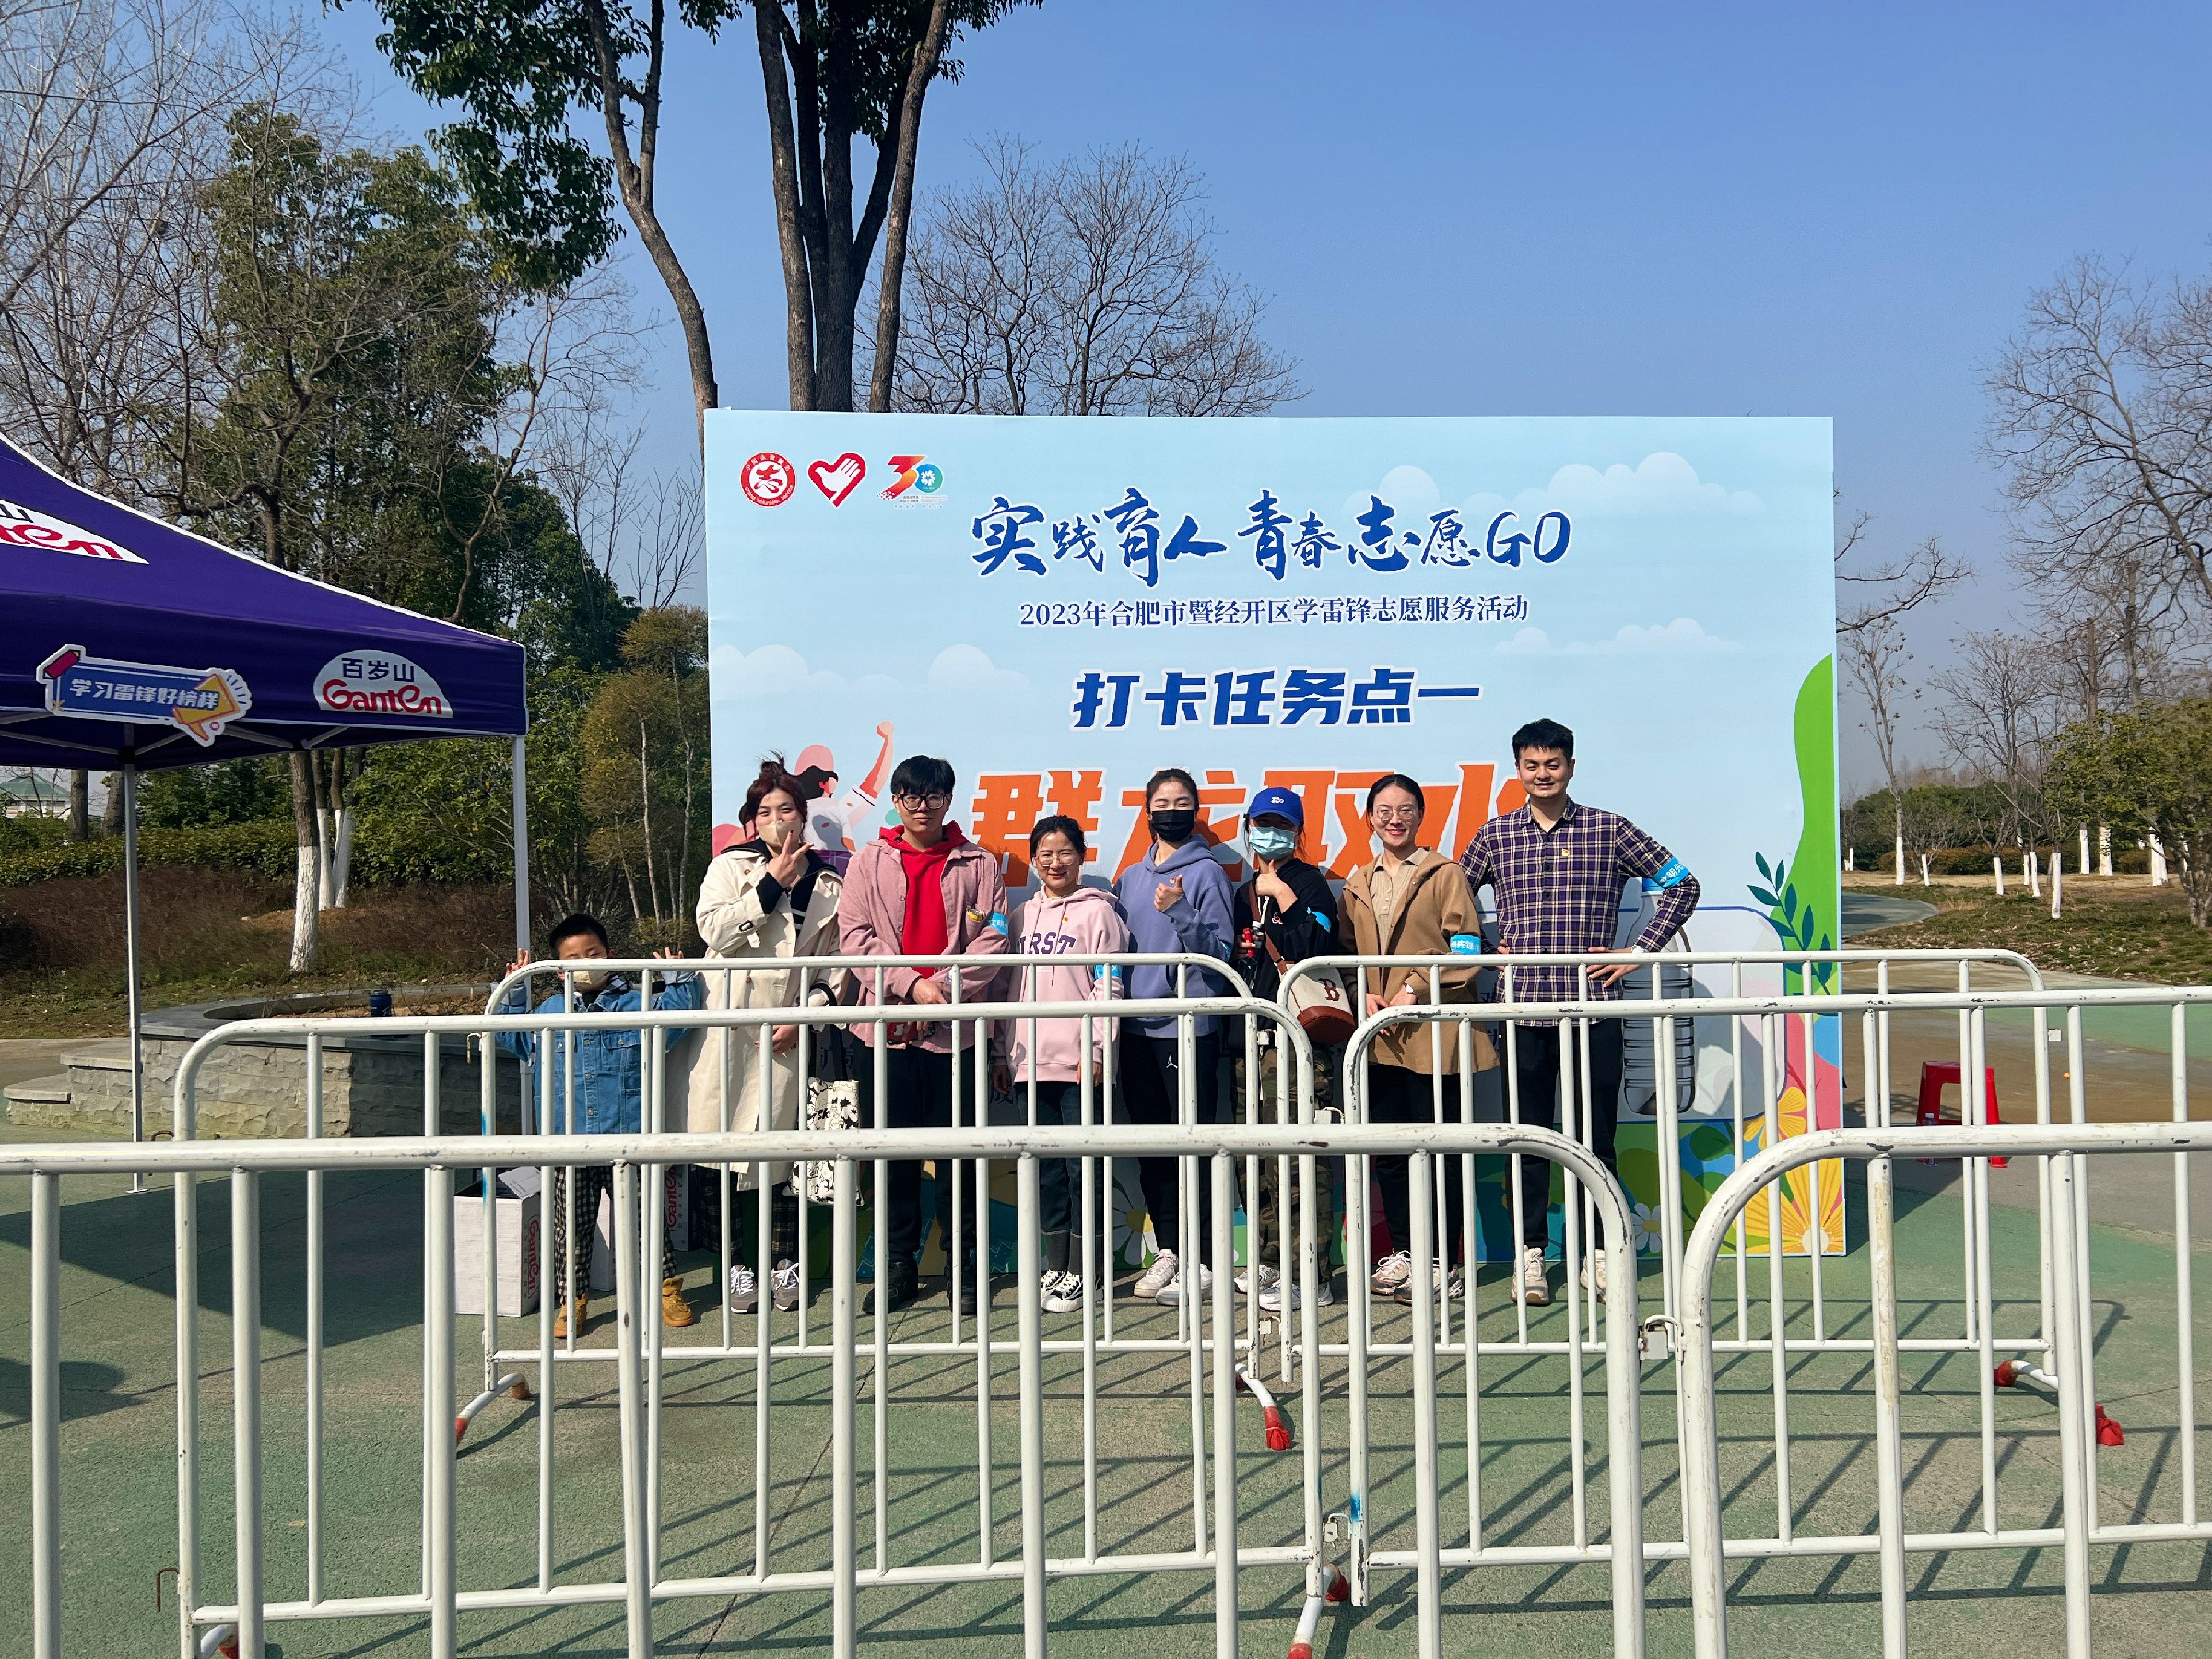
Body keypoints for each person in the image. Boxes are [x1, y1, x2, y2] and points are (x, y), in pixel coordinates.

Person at [1458, 718, 1700, 1307]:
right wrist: (1482, 951)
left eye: (1553, 764)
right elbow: (1452, 906)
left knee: (1596, 1137)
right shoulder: (1494, 835)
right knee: (1527, 1139)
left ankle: (1597, 1250)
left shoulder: (1608, 829)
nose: (1542, 774)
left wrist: (1636, 953)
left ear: (1570, 766)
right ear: (1518, 769)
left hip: (1595, 1009)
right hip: (1520, 1012)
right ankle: (1531, 1254)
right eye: (1531, 765)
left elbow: (1683, 886)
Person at [836, 755, 1010, 1315]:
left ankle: (964, 1266)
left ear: (948, 800)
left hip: (957, 1036)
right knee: (892, 1157)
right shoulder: (868, 862)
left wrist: (942, 992)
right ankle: (897, 1266)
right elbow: (854, 938)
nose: (922, 806)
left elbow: (994, 940)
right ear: (896, 800)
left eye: (933, 796)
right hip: (884, 1034)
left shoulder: (980, 864)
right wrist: (911, 986)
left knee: (960, 1156)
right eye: (911, 795)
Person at [689, 757, 850, 1316]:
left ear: (804, 817)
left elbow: (835, 964)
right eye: (764, 812)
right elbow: (713, 931)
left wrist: (806, 1015)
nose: (776, 820)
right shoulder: (728, 867)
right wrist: (768, 887)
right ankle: (736, 1263)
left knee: (790, 1151)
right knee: (725, 1150)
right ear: (752, 821)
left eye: (786, 810)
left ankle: (786, 1259)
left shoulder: (829, 883)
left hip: (792, 1029)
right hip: (731, 1026)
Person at [498, 914, 704, 1337]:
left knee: (647, 1222)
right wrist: (514, 988)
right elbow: (509, 1034)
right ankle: (572, 1301)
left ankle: (666, 1289)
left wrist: (678, 977)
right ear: (559, 970)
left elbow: (679, 1017)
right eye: (573, 959)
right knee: (571, 1230)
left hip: (630, 1140)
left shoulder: (639, 1004)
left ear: (611, 955)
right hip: (568, 1144)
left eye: (593, 954)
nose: (586, 964)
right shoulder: (548, 1013)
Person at [1338, 774, 1496, 1305]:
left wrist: (1414, 988)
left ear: (1422, 816)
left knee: (1440, 1149)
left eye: (1406, 809)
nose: (1395, 819)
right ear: (1369, 818)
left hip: (1434, 1032)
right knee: (1390, 1151)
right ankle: (1405, 1253)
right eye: (1384, 810)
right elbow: (1346, 955)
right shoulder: (1357, 882)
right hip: (1379, 1033)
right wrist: (1361, 993)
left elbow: (1467, 945)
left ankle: (1443, 1261)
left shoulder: (1444, 873)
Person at [990, 817, 1131, 1313]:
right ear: (1033, 860)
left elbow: (1108, 984)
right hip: (1027, 1062)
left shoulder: (1100, 914)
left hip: (1078, 1065)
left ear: (1082, 856)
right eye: (1045, 854)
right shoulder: (1019, 917)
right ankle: (1057, 1265)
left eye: (1065, 852)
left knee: (1083, 1167)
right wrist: (1000, 1052)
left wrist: (1098, 1050)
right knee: (1047, 1170)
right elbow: (1005, 987)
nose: (1055, 862)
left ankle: (1090, 1272)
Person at [1115, 767, 1236, 1303]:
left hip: (1188, 1026)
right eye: (1161, 803)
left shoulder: (1208, 873)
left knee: (1195, 1144)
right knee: (1154, 1146)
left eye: (1182, 802)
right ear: (1147, 812)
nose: (1171, 811)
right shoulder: (1128, 877)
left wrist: (1181, 911)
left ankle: (1204, 1258)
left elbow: (1221, 955)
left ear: (1196, 810)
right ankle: (1169, 1249)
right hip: (1134, 1029)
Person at [1227, 785, 1340, 1312]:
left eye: (1282, 825)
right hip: (1251, 1038)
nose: (1270, 833)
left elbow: (1316, 946)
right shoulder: (1244, 891)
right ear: (1248, 826)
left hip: (1297, 1040)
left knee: (1300, 1157)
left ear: (1298, 832)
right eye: (1262, 824)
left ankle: (1311, 1273)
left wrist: (1288, 898)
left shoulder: (1310, 882)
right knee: (1257, 1158)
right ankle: (1270, 1258)